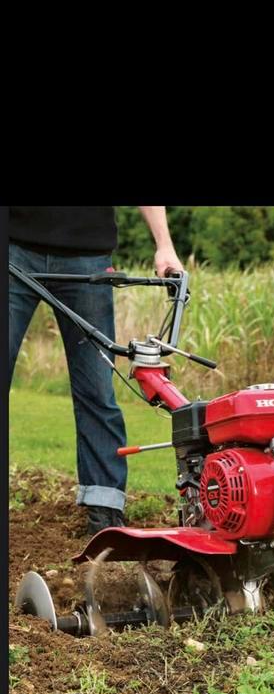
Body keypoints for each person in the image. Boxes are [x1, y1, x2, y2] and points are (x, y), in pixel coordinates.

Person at [9, 206, 183, 535]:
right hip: (13, 250)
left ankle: (104, 509)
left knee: (97, 388)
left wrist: (164, 245)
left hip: (88, 257)